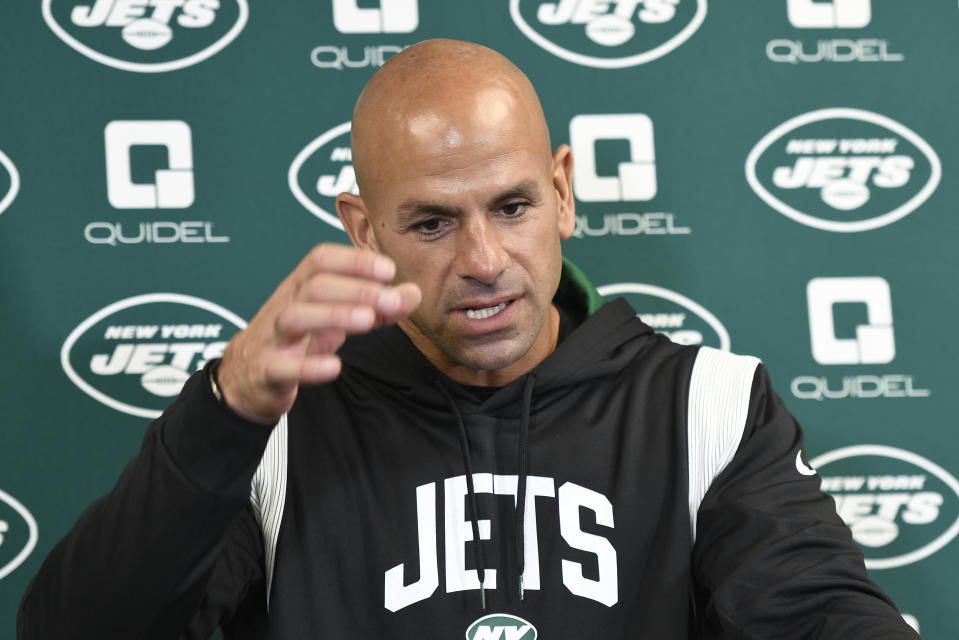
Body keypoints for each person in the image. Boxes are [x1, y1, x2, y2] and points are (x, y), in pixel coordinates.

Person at [19, 39, 919, 639]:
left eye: (513, 206)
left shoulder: (708, 404)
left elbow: (820, 614)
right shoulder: (276, 423)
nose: (484, 260)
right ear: (364, 229)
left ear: (562, 190)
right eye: (431, 224)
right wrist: (222, 415)